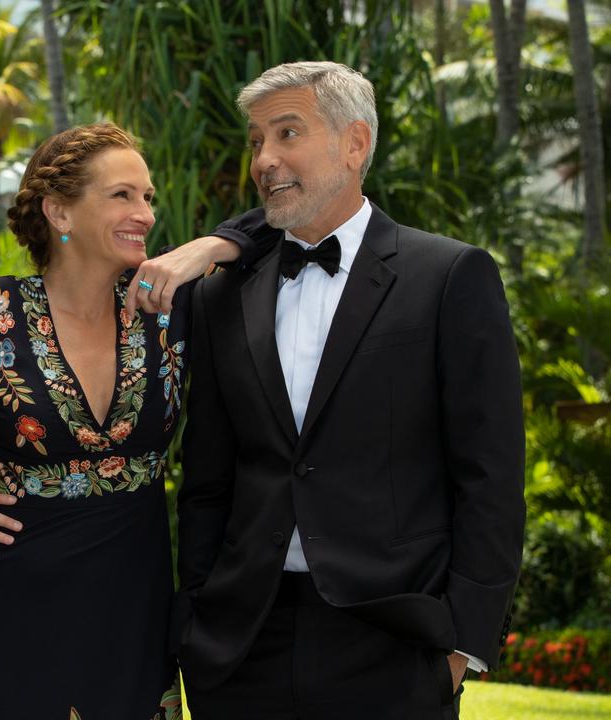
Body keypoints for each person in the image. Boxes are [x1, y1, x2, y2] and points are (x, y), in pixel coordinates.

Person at [0, 122, 276, 719]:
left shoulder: (169, 309)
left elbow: (289, 218)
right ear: (59, 212)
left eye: (149, 197)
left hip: (128, 616)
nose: (144, 213)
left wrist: (210, 246)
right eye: (122, 195)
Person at [174, 61, 525, 719]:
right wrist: (197, 616)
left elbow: (490, 477)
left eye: (287, 133)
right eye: (255, 140)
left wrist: (462, 647)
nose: (264, 159)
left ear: (355, 144)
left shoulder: (450, 276)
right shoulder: (223, 295)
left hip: (395, 646)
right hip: (242, 647)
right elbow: (208, 479)